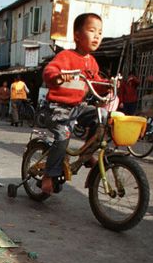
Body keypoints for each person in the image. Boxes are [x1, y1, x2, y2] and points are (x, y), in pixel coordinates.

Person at [40, 12, 105, 195]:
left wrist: (109, 86)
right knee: (63, 135)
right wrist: (57, 76)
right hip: (57, 108)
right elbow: (49, 71)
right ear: (77, 35)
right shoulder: (66, 56)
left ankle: (86, 154)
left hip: (77, 107)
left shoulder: (92, 62)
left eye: (100, 32)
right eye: (92, 31)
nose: (97, 36)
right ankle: (49, 174)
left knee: (102, 117)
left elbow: (97, 83)